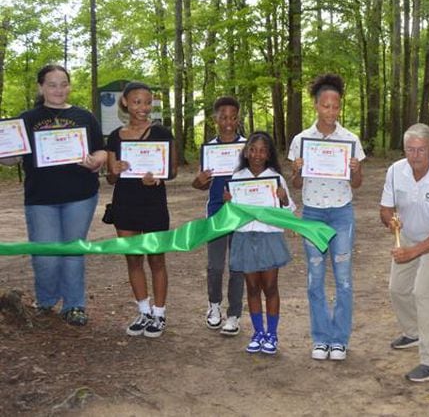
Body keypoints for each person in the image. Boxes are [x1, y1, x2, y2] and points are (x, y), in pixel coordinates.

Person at [0, 64, 106, 326]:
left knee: (72, 251)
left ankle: (74, 305)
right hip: (40, 198)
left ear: (69, 86)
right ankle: (46, 301)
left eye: (63, 84)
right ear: (41, 87)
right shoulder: (26, 119)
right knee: (46, 254)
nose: (59, 89)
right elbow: (13, 158)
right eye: (52, 84)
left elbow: (101, 150)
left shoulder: (85, 117)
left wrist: (96, 162)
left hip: (80, 195)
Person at [288, 73, 365, 361]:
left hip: (341, 212)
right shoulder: (301, 141)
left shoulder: (350, 139)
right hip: (312, 214)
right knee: (315, 278)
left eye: (335, 107)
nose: (331, 112)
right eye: (325, 106)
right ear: (316, 106)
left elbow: (357, 184)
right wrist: (297, 170)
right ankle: (321, 338)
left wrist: (356, 169)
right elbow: (296, 185)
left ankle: (339, 340)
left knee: (343, 279)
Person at [380, 123, 429, 383]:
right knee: (397, 289)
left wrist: (415, 252)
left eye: (421, 150)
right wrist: (390, 221)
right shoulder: (395, 171)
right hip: (407, 237)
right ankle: (414, 332)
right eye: (410, 150)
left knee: (423, 291)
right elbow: (385, 209)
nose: (415, 156)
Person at [106, 82, 178, 338]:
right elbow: (111, 178)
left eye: (147, 102)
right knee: (133, 259)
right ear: (125, 102)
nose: (143, 108)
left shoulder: (161, 132)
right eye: (137, 102)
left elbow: (171, 170)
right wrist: (113, 171)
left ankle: (159, 314)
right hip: (125, 203)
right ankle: (144, 311)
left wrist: (157, 178)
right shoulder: (115, 136)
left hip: (153, 203)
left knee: (156, 259)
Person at [224, 131, 294, 355]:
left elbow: (289, 211)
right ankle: (258, 333)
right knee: (252, 287)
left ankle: (272, 334)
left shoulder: (275, 177)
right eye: (252, 149)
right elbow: (231, 216)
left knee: (270, 287)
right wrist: (229, 204)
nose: (257, 154)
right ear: (246, 152)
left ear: (268, 154)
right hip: (244, 237)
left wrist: (283, 198)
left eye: (262, 150)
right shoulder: (237, 178)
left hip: (269, 236)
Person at [192, 96, 246, 336]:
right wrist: (199, 181)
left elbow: (258, 180)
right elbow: (200, 184)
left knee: (238, 266)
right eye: (223, 117)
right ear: (215, 119)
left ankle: (234, 314)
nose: (228, 122)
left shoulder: (248, 147)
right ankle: (214, 306)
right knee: (215, 266)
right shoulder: (209, 149)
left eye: (233, 117)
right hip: (216, 214)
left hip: (241, 215)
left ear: (238, 119)